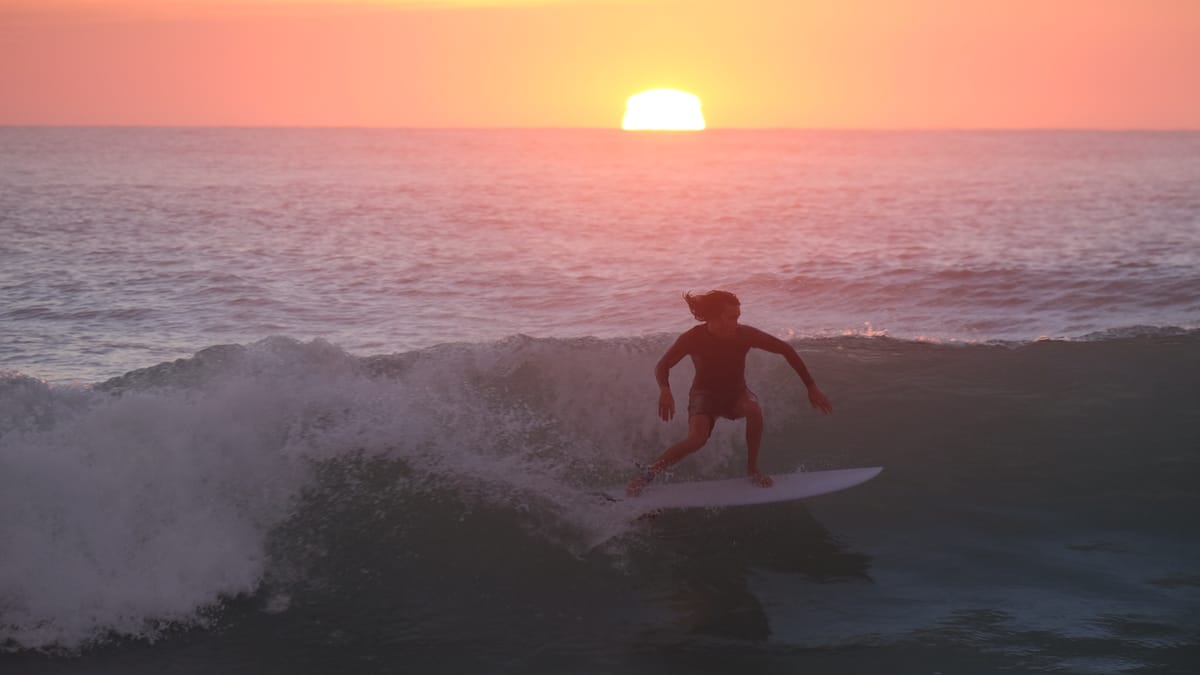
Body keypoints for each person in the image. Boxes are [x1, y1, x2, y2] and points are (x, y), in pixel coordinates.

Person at [626, 290, 833, 496]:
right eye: (731, 317)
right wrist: (665, 390)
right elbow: (663, 365)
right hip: (704, 395)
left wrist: (811, 386)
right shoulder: (693, 338)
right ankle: (646, 476)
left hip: (736, 393)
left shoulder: (744, 335)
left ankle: (753, 469)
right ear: (714, 317)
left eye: (738, 317)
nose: (736, 322)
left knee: (753, 409)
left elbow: (785, 349)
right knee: (696, 440)